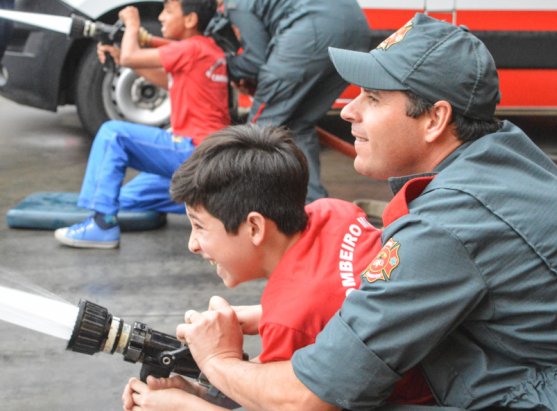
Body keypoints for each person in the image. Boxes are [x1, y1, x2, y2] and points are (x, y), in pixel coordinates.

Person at [159, 13, 557, 410]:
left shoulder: (450, 224)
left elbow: (308, 395)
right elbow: (399, 290)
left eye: (374, 99)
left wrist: (216, 364)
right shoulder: (497, 153)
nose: (349, 111)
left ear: (435, 119)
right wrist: (258, 317)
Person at [121, 124, 435, 410]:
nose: (192, 243)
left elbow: (281, 400)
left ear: (255, 227)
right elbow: (337, 290)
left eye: (200, 227)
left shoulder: (290, 318)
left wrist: (185, 401)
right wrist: (202, 389)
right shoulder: (333, 212)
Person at [54, 0, 230, 249]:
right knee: (123, 199)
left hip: (195, 152)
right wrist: (125, 59)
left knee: (113, 134)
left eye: (168, 11)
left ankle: (102, 226)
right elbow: (168, 81)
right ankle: (211, 205)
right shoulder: (208, 50)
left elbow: (130, 55)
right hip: (209, 160)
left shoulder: (190, 49)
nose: (160, 17)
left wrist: (132, 24)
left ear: (190, 20)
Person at [219, 0, 370, 203]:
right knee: (300, 124)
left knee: (258, 131)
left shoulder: (234, 4)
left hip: (312, 32)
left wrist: (217, 64)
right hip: (356, 32)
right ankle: (313, 205)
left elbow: (254, 61)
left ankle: (237, 204)